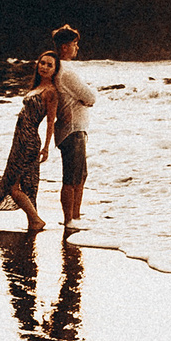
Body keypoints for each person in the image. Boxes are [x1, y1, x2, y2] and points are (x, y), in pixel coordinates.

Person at [0, 50, 59, 231]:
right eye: (42, 63)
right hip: (19, 139)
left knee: (14, 185)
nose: (44, 67)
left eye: (49, 65)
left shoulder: (50, 92)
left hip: (29, 141)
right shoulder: (36, 87)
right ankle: (32, 222)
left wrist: (46, 147)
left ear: (55, 70)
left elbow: (51, 121)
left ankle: (36, 220)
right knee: (25, 184)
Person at [49, 24, 96, 236]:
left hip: (74, 128)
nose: (77, 48)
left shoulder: (62, 69)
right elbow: (90, 96)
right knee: (72, 177)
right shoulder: (66, 71)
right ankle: (69, 219)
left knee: (80, 175)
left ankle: (75, 218)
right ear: (65, 46)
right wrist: (86, 99)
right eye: (75, 44)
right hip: (72, 130)